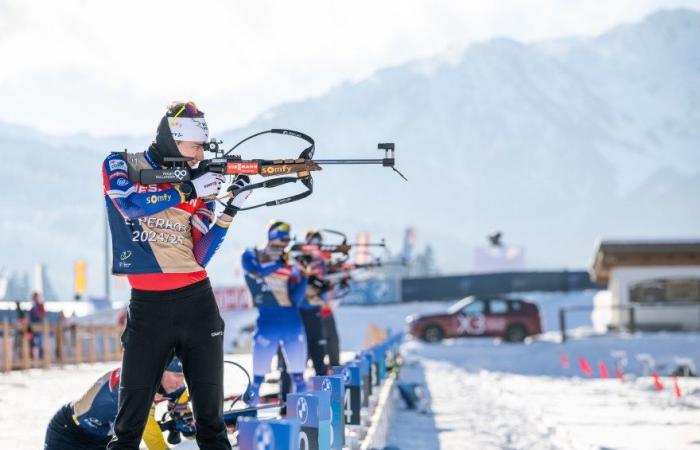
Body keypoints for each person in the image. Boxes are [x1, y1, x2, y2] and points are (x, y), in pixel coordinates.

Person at [102, 101, 251, 450]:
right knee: (128, 428)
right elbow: (129, 204)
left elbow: (200, 255)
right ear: (173, 139)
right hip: (148, 310)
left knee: (212, 426)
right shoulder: (121, 163)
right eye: (195, 145)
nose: (201, 154)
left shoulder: (200, 181)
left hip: (197, 304)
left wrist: (229, 209)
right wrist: (189, 190)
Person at [44, 357, 189, 450]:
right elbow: (150, 434)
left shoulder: (170, 383)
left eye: (183, 376)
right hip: (69, 432)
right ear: (160, 371)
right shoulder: (135, 386)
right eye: (177, 376)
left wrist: (181, 415)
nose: (180, 382)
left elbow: (182, 397)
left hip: (102, 439)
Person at [241, 221, 308, 406]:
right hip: (267, 320)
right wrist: (280, 263)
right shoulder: (251, 254)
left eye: (285, 243)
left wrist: (304, 276)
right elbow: (255, 270)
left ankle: (305, 416)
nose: (282, 247)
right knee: (256, 381)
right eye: (280, 241)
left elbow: (296, 299)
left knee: (299, 378)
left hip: (291, 320)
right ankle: (250, 411)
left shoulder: (290, 263)